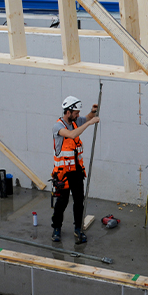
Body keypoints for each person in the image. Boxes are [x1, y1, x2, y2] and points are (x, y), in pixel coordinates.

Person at [51, 96, 99, 244]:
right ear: (68, 112)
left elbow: (86, 118)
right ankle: (56, 228)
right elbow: (72, 134)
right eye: (76, 113)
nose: (78, 115)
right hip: (63, 173)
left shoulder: (75, 121)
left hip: (76, 171)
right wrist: (90, 123)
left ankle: (78, 228)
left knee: (79, 201)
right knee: (62, 202)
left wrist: (92, 112)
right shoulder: (58, 127)